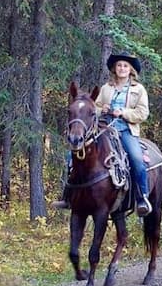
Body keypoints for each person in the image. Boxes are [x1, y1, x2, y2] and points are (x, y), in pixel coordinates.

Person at [51, 52, 153, 217]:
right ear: (114, 68)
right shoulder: (106, 88)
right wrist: (101, 109)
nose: (122, 68)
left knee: (136, 159)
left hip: (126, 129)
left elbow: (143, 113)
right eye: (119, 65)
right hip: (104, 128)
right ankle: (68, 196)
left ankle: (142, 198)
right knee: (72, 156)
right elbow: (92, 108)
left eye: (125, 66)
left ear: (131, 70)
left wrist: (124, 112)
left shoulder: (138, 89)